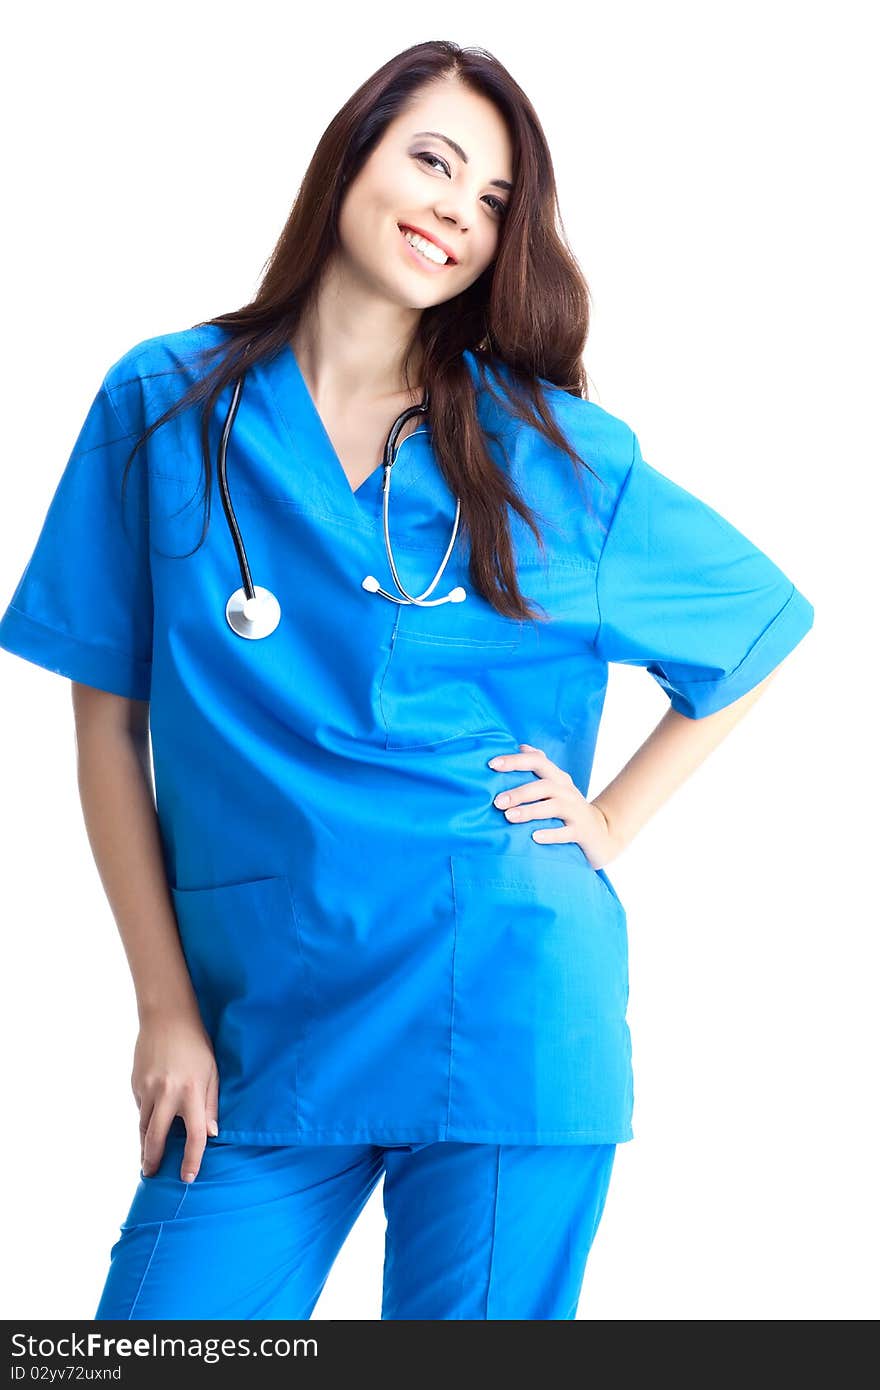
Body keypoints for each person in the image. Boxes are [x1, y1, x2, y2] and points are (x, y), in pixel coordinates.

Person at [0, 40, 814, 1321]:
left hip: (501, 999)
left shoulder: (535, 446)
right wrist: (162, 1004)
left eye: (494, 202)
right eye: (433, 161)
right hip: (263, 1011)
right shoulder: (161, 404)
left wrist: (605, 823)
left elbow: (760, 624)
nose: (455, 208)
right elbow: (108, 725)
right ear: (353, 157)